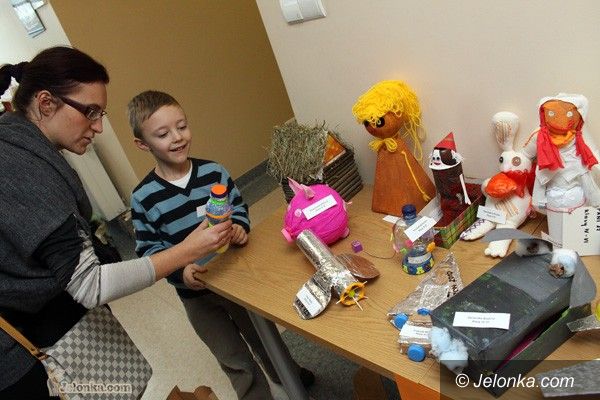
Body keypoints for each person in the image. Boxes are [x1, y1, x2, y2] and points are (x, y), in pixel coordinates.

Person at [0, 47, 234, 400]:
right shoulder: (20, 166)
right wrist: (187, 251)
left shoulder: (19, 143)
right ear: (46, 103)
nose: (98, 126)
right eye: (90, 112)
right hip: (21, 354)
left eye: (101, 113)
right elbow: (90, 284)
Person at [127, 90, 314, 400]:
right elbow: (149, 252)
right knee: (234, 359)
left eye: (182, 126)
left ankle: (288, 373)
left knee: (265, 338)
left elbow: (237, 206)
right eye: (163, 134)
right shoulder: (143, 198)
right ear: (143, 144)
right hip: (197, 298)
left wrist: (239, 227)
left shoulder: (214, 172)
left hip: (236, 279)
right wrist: (181, 272)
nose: (177, 137)